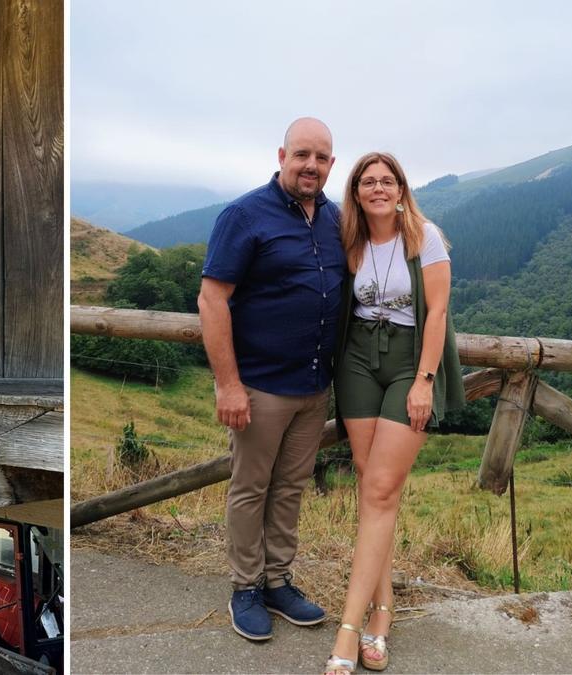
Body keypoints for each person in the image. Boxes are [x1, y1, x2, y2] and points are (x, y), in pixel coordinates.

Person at [198, 117, 346, 641]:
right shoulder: (244, 214)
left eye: (322, 157)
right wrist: (228, 385)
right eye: (302, 154)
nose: (311, 165)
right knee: (250, 488)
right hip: (260, 385)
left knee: (290, 488)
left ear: (331, 164)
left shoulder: (334, 219)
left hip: (313, 387)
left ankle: (279, 580)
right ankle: (245, 587)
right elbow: (212, 299)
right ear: (282, 155)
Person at [323, 152, 465, 675]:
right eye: (368, 181)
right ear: (356, 192)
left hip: (408, 360)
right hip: (358, 358)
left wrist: (425, 380)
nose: (378, 188)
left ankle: (350, 628)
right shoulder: (350, 238)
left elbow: (439, 311)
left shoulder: (423, 235)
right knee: (370, 485)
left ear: (402, 189)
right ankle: (382, 613)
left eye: (387, 181)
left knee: (381, 489)